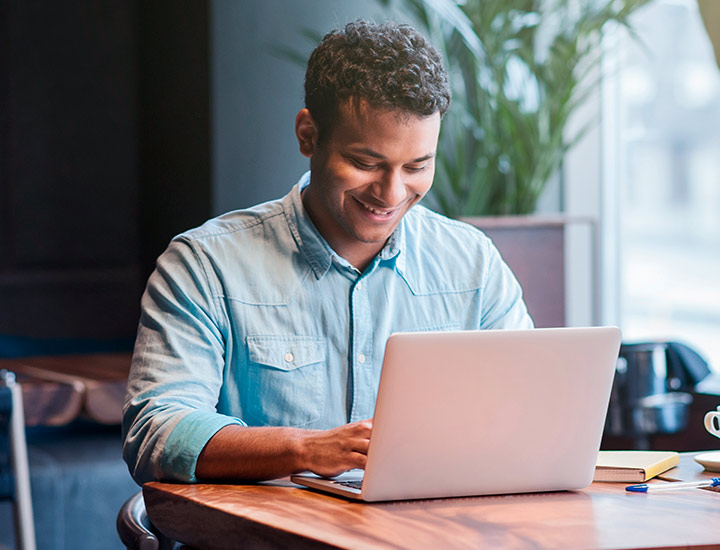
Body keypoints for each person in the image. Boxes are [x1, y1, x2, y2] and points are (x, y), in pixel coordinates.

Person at [123, 19, 533, 486]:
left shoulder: (473, 264)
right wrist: (307, 449)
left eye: (417, 166)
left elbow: (529, 415)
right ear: (308, 136)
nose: (391, 192)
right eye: (365, 163)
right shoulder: (205, 266)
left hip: (432, 541)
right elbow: (156, 433)